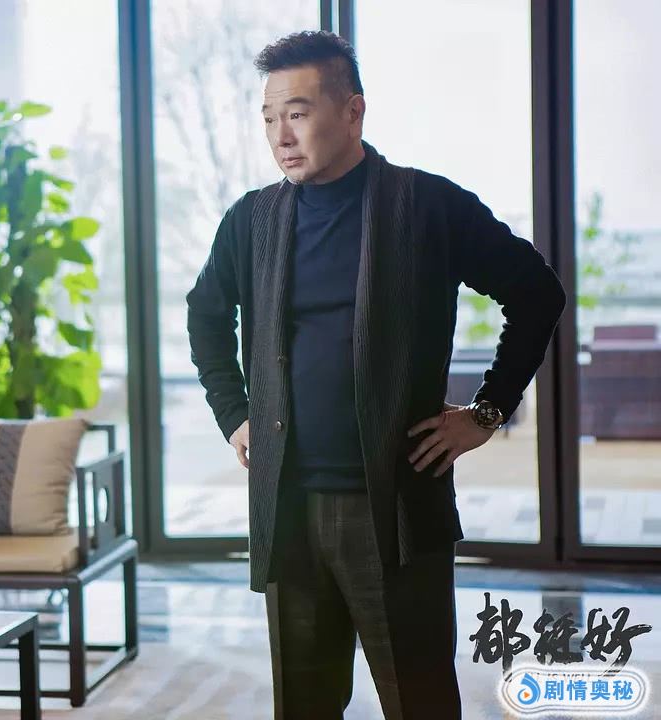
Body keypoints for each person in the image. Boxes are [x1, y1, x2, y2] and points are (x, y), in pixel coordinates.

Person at [186, 31, 566, 719]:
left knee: (420, 701)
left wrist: (488, 412)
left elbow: (537, 293)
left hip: (396, 509)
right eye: (269, 117)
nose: (280, 135)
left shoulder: (427, 206)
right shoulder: (253, 220)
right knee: (303, 704)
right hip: (288, 508)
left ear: (353, 111)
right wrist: (234, 415)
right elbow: (205, 315)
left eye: (298, 112)